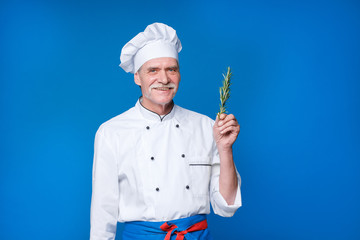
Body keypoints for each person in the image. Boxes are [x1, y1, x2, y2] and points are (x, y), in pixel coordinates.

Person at [90, 22, 242, 240]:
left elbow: (227, 207)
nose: (164, 79)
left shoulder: (206, 126)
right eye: (153, 70)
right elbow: (102, 212)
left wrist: (225, 149)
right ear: (137, 77)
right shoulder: (112, 132)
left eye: (171, 69)